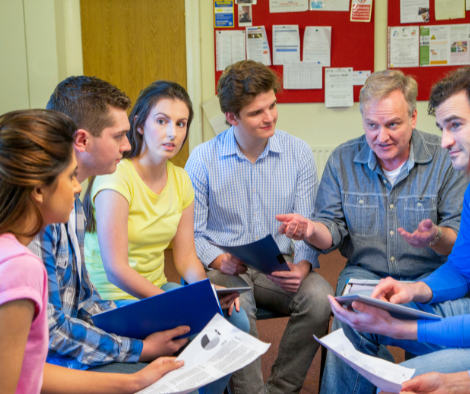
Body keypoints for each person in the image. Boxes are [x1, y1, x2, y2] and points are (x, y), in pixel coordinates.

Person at [276, 69, 469, 394]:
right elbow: (462, 270)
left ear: (412, 117)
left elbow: (453, 251)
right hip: (383, 278)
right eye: (372, 125)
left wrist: (434, 239)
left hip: (432, 276)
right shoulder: (342, 159)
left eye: (456, 125)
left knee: (401, 380)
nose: (382, 136)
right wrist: (413, 291)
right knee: (354, 317)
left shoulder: (446, 160)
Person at [0, 109, 183, 394]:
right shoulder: (19, 265)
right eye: (71, 176)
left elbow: (30, 369)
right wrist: (138, 355)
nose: (77, 187)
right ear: (38, 190)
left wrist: (134, 380)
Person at [83, 80, 250, 393]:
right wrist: (173, 304)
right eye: (161, 121)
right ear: (140, 125)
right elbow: (115, 270)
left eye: (181, 123)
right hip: (110, 300)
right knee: (194, 324)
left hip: (157, 290)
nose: (172, 132)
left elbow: (186, 257)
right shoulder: (118, 175)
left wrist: (203, 295)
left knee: (234, 323)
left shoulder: (181, 178)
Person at [185, 60, 334, 394]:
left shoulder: (298, 153)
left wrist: (304, 264)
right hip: (226, 267)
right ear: (232, 117)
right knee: (238, 301)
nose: (269, 118)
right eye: (256, 113)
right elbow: (193, 233)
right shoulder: (203, 159)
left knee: (321, 297)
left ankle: (280, 389)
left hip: (276, 267)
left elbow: (309, 223)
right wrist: (219, 259)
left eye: (273, 106)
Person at [28, 76, 192, 374]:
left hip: (75, 333)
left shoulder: (73, 200)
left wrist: (130, 333)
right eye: (118, 136)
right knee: (167, 374)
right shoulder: (39, 214)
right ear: (81, 140)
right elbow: (51, 333)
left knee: (179, 351)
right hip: (49, 363)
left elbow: (84, 301)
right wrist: (139, 349)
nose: (128, 145)